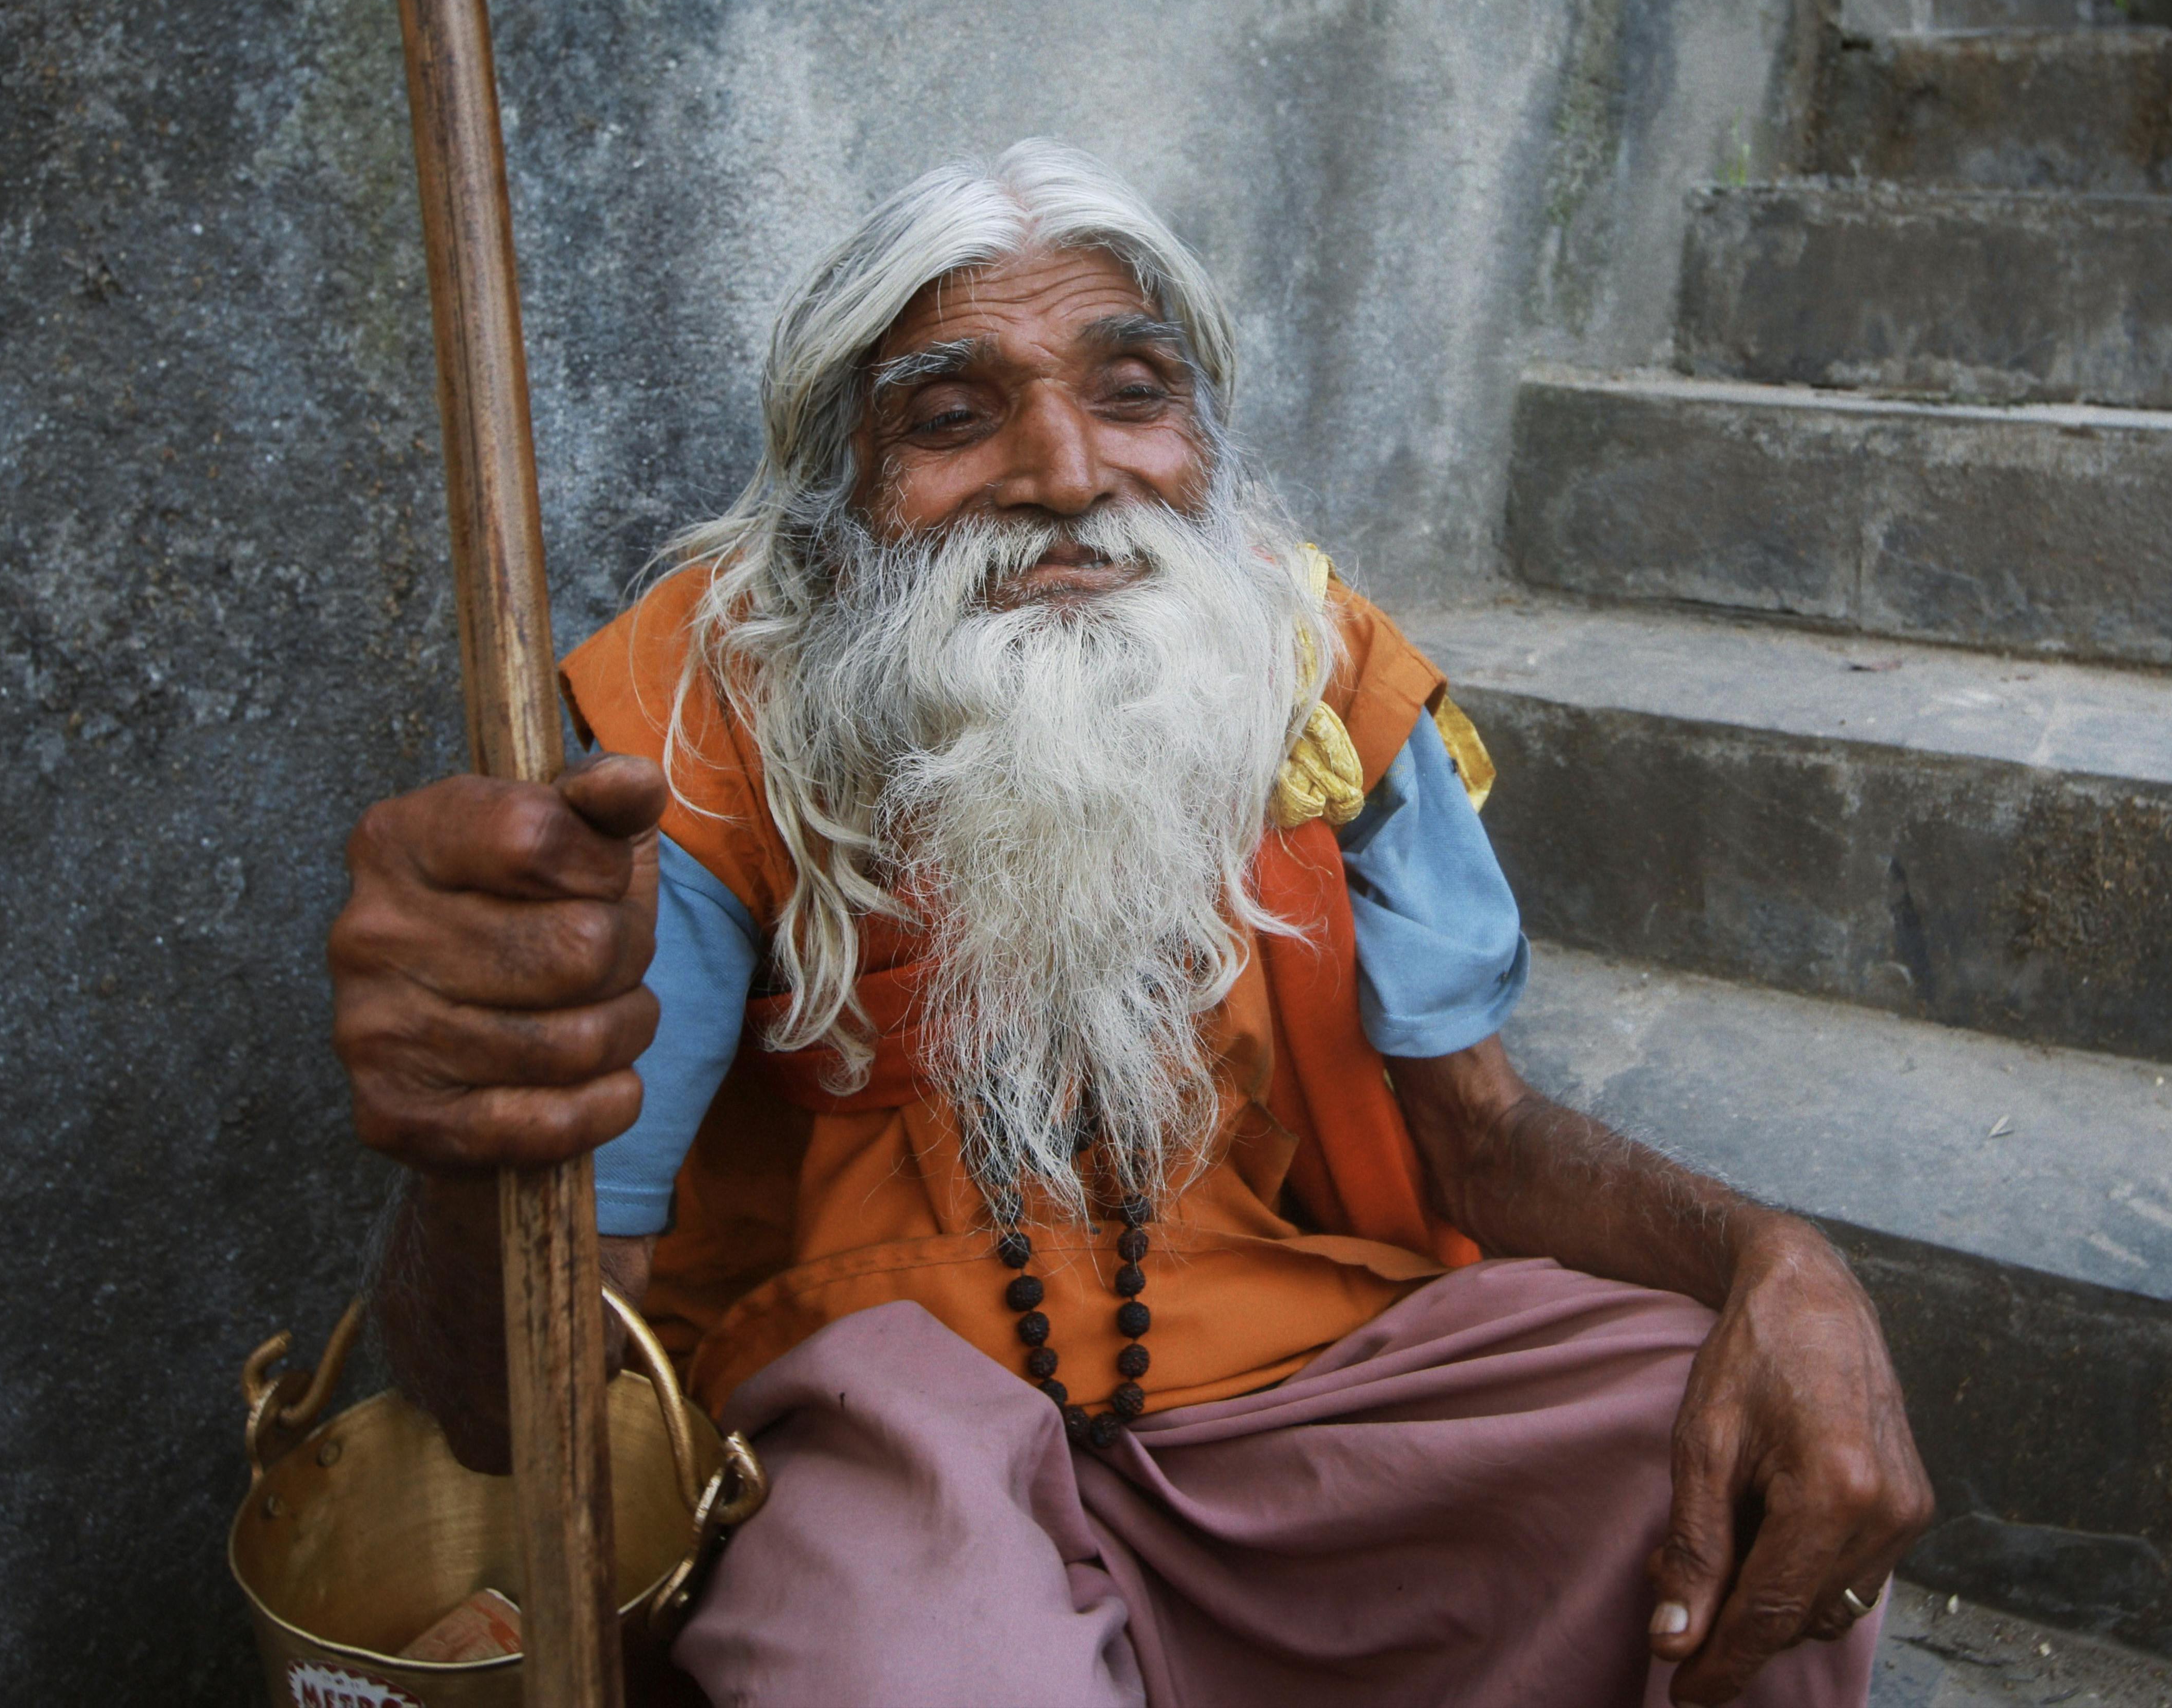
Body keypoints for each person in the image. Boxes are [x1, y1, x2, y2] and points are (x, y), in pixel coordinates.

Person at [327, 141, 1931, 1707]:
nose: (1069, 475)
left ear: (1206, 440)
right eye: (951, 418)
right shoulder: (690, 726)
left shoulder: (1308, 669)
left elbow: (1483, 1141)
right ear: (833, 501)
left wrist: (1775, 1261)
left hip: (1290, 1372)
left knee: (1715, 1447)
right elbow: (515, 1402)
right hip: (871, 1422)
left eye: (1131, 393)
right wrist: (473, 1144)